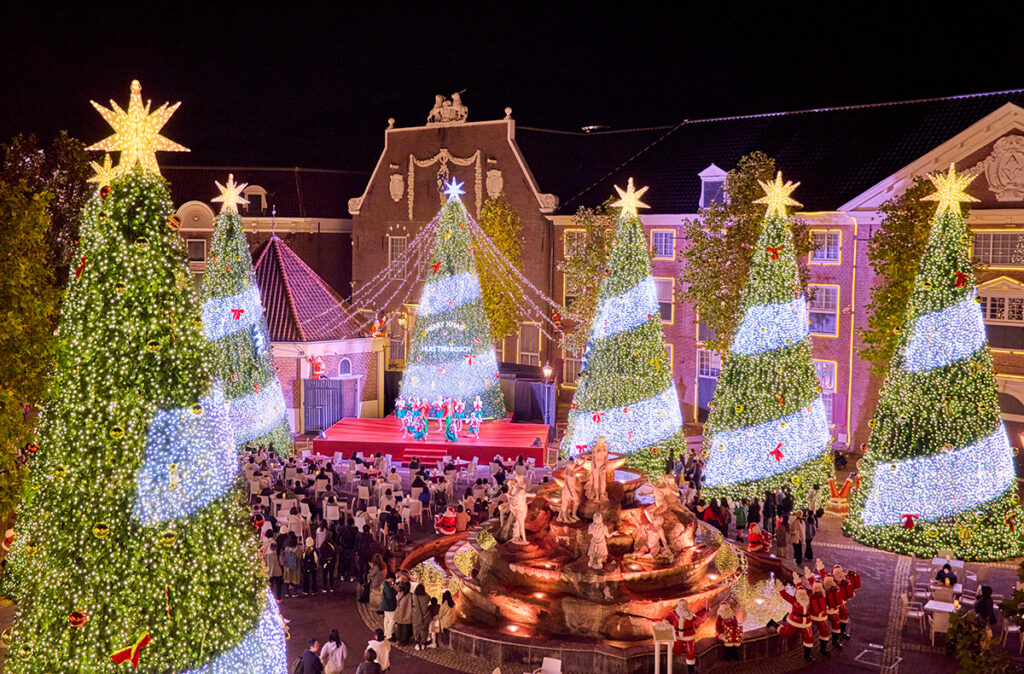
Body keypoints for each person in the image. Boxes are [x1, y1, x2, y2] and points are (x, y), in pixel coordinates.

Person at [411, 583, 432, 650]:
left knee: (416, 629)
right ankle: (423, 643)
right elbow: (429, 599)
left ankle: (417, 643)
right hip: (425, 615)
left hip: (416, 615)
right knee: (424, 630)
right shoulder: (426, 596)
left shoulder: (414, 596)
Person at [282, 533, 302, 598]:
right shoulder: (298, 548)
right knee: (295, 578)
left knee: (287, 579)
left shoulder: (287, 548)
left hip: (287, 566)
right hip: (296, 566)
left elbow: (284, 556)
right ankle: (294, 592)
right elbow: (300, 557)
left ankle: (287, 592)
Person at [380, 573, 397, 639]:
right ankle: (389, 635)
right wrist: (395, 591)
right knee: (392, 620)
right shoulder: (386, 586)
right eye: (392, 579)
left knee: (386, 620)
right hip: (389, 605)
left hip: (384, 604)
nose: (393, 580)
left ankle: (386, 633)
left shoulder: (383, 584)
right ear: (390, 578)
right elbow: (390, 596)